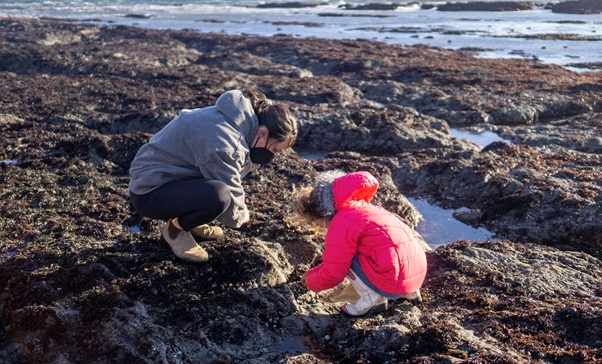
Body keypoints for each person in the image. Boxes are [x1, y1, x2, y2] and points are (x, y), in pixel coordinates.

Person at [129, 88, 298, 263]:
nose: (272, 157)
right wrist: (244, 218)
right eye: (274, 150)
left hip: (164, 178)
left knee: (216, 191)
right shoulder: (227, 145)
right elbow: (231, 198)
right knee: (220, 196)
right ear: (263, 133)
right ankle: (175, 231)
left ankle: (191, 221)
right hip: (149, 192)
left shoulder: (235, 119)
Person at [298, 170, 427, 316]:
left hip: (392, 283)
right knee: (374, 250)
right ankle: (411, 294)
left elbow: (334, 273)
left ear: (324, 212)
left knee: (347, 257)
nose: (323, 228)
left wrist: (311, 283)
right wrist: (311, 273)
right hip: (416, 277)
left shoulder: (341, 222)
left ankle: (372, 299)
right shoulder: (370, 210)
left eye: (320, 224)